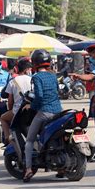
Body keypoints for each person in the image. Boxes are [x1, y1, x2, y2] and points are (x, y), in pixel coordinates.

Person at [23, 50, 62, 182]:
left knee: (29, 141)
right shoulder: (53, 76)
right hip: (58, 112)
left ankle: (28, 169)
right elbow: (58, 91)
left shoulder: (37, 77)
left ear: (35, 63)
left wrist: (32, 106)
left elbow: (38, 96)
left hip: (44, 112)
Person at [70, 44, 95, 162]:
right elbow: (91, 77)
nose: (90, 58)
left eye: (91, 55)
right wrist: (80, 76)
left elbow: (91, 77)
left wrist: (80, 76)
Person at [1, 58, 33, 147]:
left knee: (3, 118)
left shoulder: (13, 81)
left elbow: (10, 101)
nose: (30, 70)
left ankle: (8, 139)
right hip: (31, 110)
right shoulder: (33, 80)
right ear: (27, 70)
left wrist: (10, 110)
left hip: (17, 111)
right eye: (30, 69)